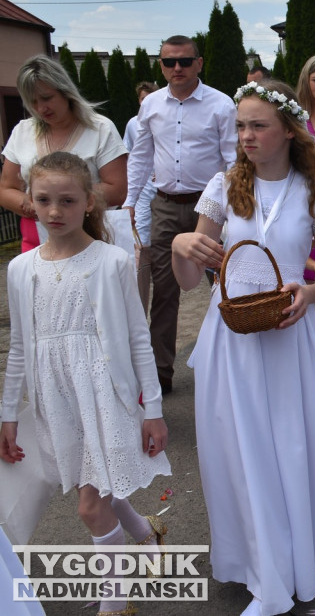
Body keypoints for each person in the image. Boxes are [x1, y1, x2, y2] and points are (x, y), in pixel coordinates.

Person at [170, 79, 315, 616]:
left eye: (257, 125)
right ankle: (265, 573)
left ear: (287, 129)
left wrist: (308, 292)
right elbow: (190, 279)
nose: (246, 135)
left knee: (291, 444)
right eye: (240, 125)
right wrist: (180, 244)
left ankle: (299, 555)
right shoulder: (222, 187)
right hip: (229, 339)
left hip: (289, 335)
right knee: (242, 452)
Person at [2, 151, 170, 616]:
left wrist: (152, 408)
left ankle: (116, 602)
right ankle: (144, 531)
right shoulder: (20, 270)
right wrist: (8, 414)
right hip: (55, 397)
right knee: (92, 481)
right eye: (44, 200)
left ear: (90, 203)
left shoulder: (113, 261)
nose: (55, 211)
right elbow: (19, 346)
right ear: (30, 203)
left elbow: (138, 339)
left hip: (104, 391)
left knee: (88, 505)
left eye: (67, 200)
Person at [125, 34, 237, 394]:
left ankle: (235, 360)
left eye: (185, 61)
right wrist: (129, 201)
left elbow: (234, 160)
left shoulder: (221, 105)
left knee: (225, 283)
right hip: (167, 206)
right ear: (160, 64)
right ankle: (160, 374)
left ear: (199, 63)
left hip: (213, 207)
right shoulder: (152, 105)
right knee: (164, 292)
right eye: (169, 62)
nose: (177, 68)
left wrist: (236, 208)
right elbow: (141, 156)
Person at [1, 56, 128, 253]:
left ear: (65, 92)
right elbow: (6, 189)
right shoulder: (22, 131)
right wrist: (29, 202)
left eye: (47, 98)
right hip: (37, 235)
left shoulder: (100, 128)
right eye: (33, 101)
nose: (41, 108)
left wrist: (64, 200)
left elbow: (118, 189)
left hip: (90, 234)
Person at [124, 81, 159, 313]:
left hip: (167, 189)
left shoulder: (164, 118)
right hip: (145, 191)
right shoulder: (132, 125)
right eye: (142, 99)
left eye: (149, 99)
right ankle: (140, 310)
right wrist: (131, 198)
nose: (145, 103)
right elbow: (132, 159)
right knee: (142, 241)